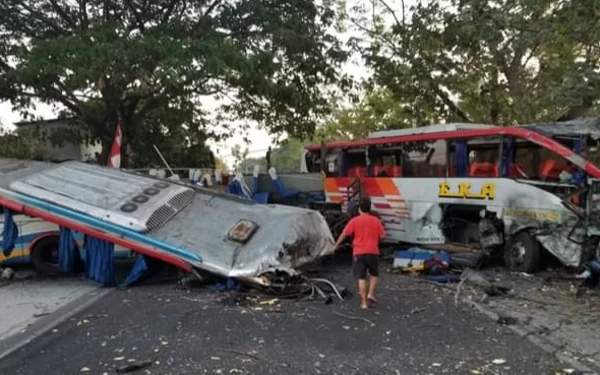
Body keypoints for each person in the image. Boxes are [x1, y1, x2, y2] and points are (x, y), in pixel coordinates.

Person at [332, 197, 386, 309]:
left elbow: (344, 234)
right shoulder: (376, 220)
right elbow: (383, 236)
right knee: (374, 274)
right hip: (373, 251)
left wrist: (335, 246)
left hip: (359, 252)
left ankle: (364, 303)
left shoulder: (354, 221)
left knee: (361, 277)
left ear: (359, 209)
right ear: (369, 208)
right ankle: (371, 293)